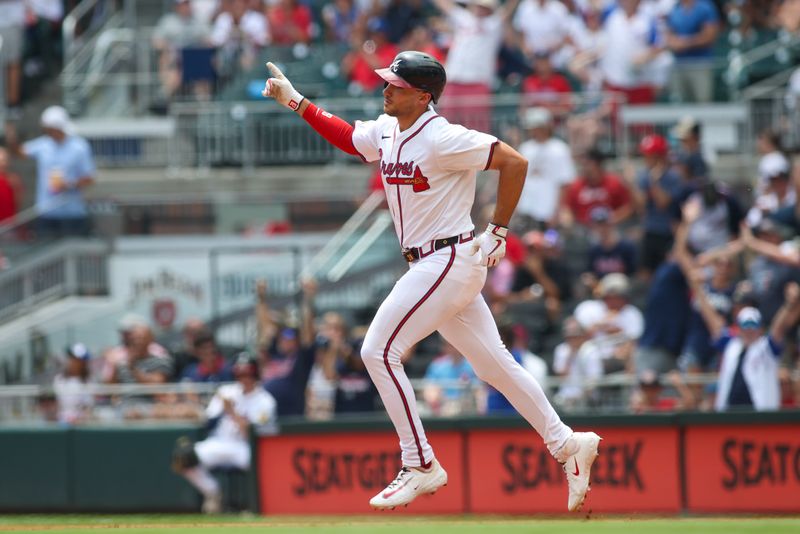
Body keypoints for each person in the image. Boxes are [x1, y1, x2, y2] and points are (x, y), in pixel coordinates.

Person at [262, 50, 601, 511]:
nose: (385, 89)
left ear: (423, 96)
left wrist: (498, 230)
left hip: (446, 258)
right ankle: (567, 444)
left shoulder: (443, 137)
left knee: (377, 350)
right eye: (386, 81)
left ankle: (420, 463)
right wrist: (296, 101)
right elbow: (349, 137)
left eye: (396, 85)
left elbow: (515, 163)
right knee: (492, 365)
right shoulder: (387, 128)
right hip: (431, 263)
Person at [172, 353, 277, 513]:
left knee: (261, 465)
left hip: (245, 447)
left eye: (247, 373)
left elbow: (253, 435)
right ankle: (213, 492)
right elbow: (207, 420)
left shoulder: (265, 400)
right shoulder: (226, 391)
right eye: (240, 373)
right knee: (184, 456)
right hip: (219, 442)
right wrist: (196, 406)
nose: (244, 377)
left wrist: (232, 412)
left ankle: (255, 505)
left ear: (255, 373)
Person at [693, 281, 800, 412]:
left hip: (760, 417)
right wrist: (698, 289)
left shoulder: (766, 348)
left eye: (753, 325)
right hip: (729, 414)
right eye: (745, 325)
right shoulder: (730, 346)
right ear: (738, 328)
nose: (749, 330)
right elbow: (713, 322)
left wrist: (789, 304)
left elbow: (778, 327)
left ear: (760, 328)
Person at [5, 106, 96, 238]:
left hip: (72, 212)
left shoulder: (79, 147)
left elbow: (89, 177)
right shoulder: (43, 144)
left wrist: (69, 184)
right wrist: (11, 137)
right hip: (47, 211)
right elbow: (20, 152)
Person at [515, 107, 576, 230]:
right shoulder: (525, 148)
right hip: (526, 207)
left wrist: (558, 210)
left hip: (548, 210)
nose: (533, 131)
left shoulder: (560, 149)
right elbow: (518, 181)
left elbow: (565, 183)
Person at [664, 0, 720, 103]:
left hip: (701, 65)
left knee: (703, 103)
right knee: (679, 104)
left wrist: (685, 43)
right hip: (679, 65)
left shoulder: (705, 7)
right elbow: (669, 34)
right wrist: (673, 42)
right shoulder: (675, 8)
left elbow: (710, 36)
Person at [53, 343, 94, 425]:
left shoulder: (89, 382)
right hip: (60, 423)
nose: (72, 361)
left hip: (81, 425)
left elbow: (88, 408)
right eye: (71, 357)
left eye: (76, 359)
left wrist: (79, 419)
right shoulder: (58, 379)